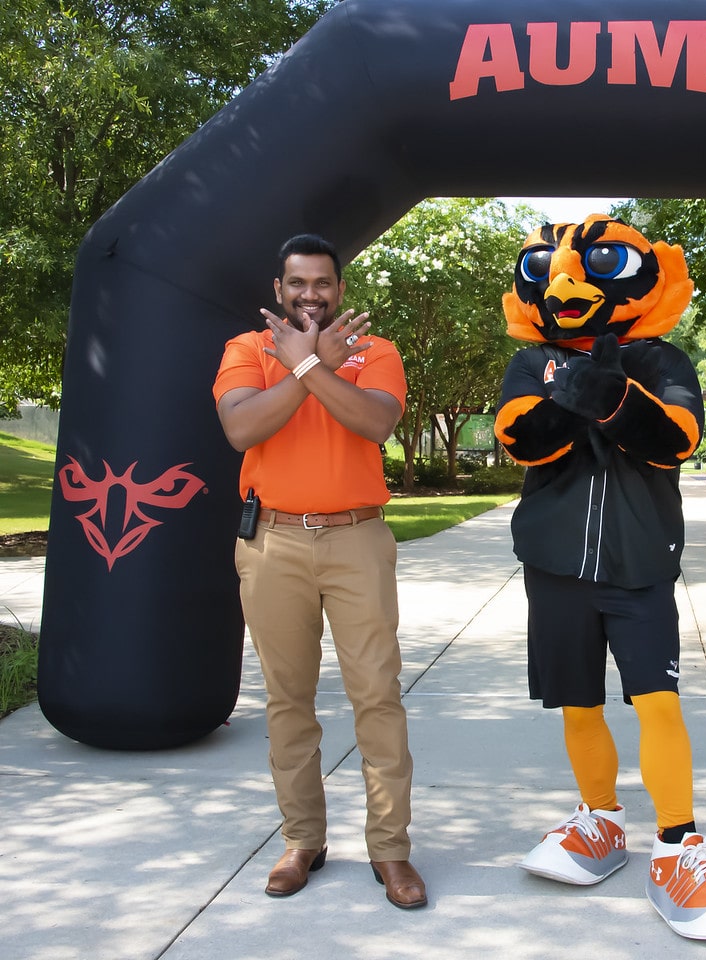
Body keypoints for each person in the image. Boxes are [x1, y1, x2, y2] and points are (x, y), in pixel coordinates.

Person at [495, 216, 706, 940]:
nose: (567, 285)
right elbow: (519, 436)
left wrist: (612, 395)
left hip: (640, 564)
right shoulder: (533, 360)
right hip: (554, 565)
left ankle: (678, 846)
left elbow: (676, 439)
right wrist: (573, 392)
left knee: (658, 704)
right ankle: (600, 821)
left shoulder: (664, 358)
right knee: (577, 704)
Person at [212, 234, 426, 908]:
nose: (311, 294)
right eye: (297, 283)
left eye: (323, 283)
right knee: (287, 701)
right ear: (278, 290)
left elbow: (374, 423)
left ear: (340, 289)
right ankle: (303, 840)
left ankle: (390, 850)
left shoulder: (376, 350)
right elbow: (241, 430)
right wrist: (308, 368)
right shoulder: (246, 351)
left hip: (357, 540)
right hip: (272, 544)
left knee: (377, 698)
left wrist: (309, 369)